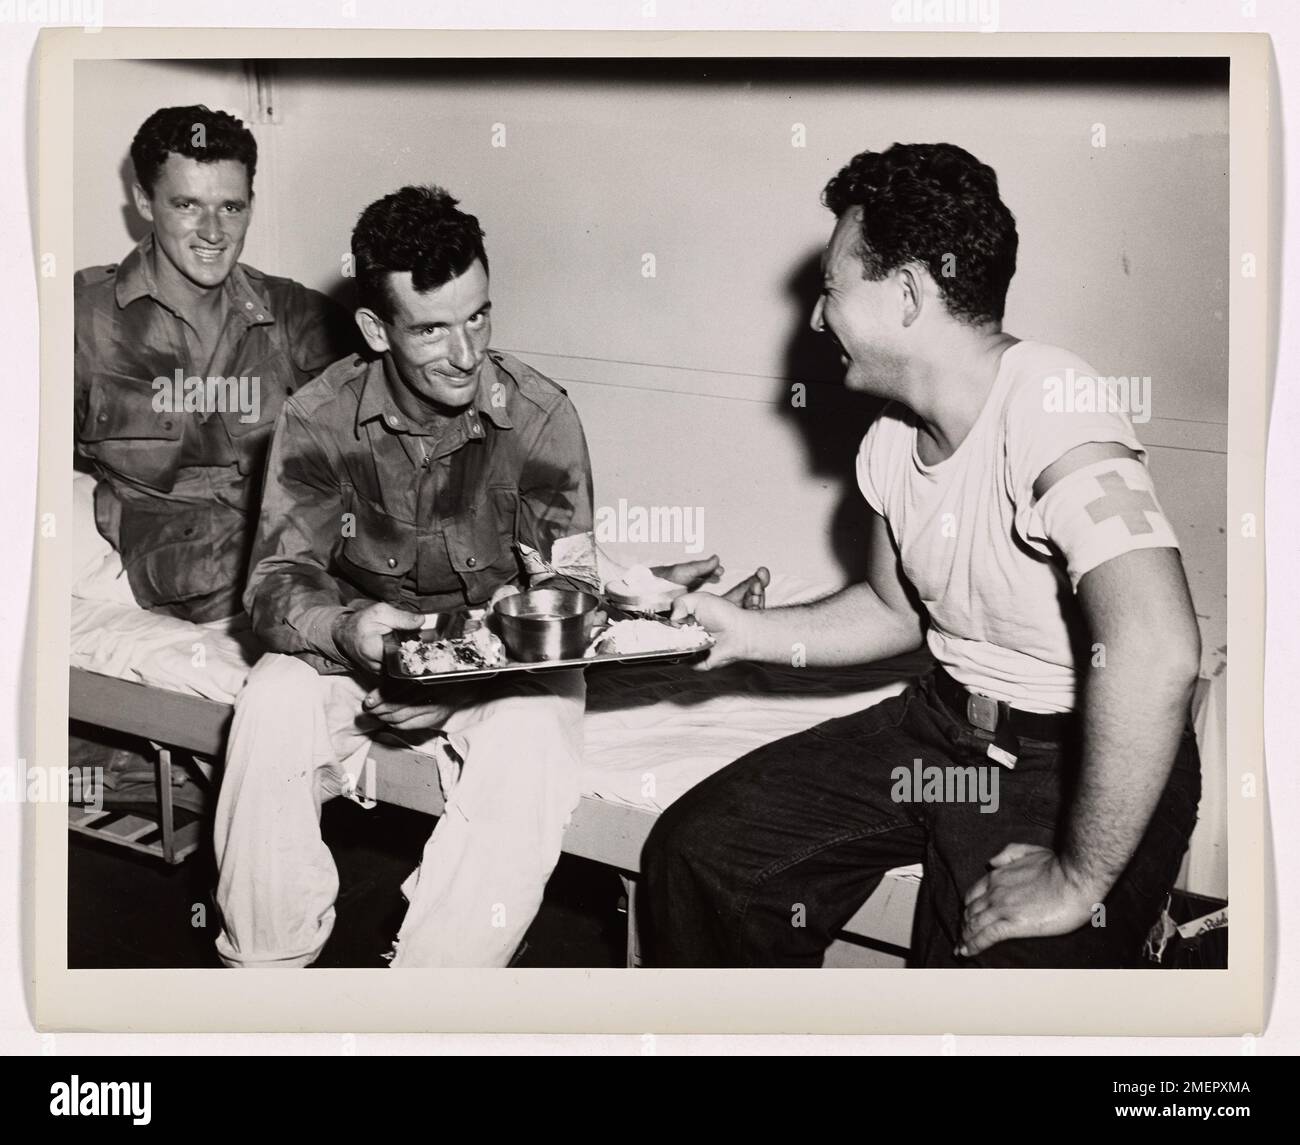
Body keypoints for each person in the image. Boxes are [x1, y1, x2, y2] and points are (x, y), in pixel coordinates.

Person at [643, 142, 1202, 969]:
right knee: (700, 856)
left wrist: (1075, 877)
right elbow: (893, 607)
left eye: (831, 290)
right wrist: (742, 630)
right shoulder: (892, 438)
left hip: (1064, 760)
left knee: (986, 976)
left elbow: (1157, 648)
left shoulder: (1052, 402)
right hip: (944, 746)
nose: (816, 318)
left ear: (907, 294)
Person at [213, 184, 766, 968]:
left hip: (505, 667)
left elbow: (570, 601)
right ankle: (262, 984)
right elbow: (274, 583)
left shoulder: (540, 416)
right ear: (375, 328)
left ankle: (428, 1002)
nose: (467, 355)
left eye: (478, 317)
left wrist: (453, 683)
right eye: (433, 330)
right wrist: (345, 628)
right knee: (270, 698)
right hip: (357, 651)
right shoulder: (317, 419)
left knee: (537, 734)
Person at [74, 104, 355, 623]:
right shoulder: (83, 319)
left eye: (231, 207)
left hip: (306, 544)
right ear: (143, 200)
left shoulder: (292, 312)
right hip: (196, 567)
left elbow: (386, 413)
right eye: (187, 205)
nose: (212, 232)